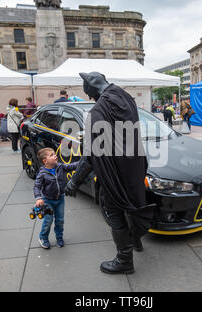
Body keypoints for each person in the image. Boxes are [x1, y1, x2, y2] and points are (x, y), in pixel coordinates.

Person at [64, 71, 156, 275]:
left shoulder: (98, 111)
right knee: (133, 203)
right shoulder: (125, 97)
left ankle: (124, 260)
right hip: (134, 165)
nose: (88, 97)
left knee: (114, 212)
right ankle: (136, 241)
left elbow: (90, 155)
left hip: (114, 172)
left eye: (86, 92)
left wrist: (74, 183)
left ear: (89, 88)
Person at [34, 148, 79, 249]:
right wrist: (38, 198)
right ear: (45, 161)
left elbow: (71, 166)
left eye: (54, 154)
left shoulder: (60, 166)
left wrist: (84, 161)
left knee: (60, 220)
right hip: (47, 201)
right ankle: (43, 237)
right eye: (51, 155)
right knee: (48, 221)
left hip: (60, 199)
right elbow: (37, 186)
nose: (55, 156)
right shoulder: (42, 173)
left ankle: (59, 237)